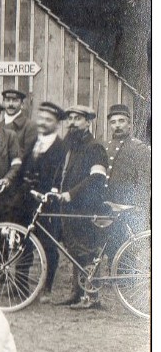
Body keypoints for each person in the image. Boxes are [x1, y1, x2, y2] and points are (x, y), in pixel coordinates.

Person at [14, 101, 67, 301]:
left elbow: (61, 175)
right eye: (41, 118)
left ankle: (46, 289)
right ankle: (21, 287)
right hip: (25, 201)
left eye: (48, 120)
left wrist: (53, 192)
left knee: (48, 246)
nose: (43, 123)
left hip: (47, 203)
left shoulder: (62, 147)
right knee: (22, 241)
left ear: (56, 123)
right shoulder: (33, 140)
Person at [57, 105, 108, 310]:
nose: (72, 123)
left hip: (86, 206)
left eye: (77, 119)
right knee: (73, 249)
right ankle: (76, 294)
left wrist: (72, 193)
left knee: (86, 249)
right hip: (70, 206)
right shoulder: (71, 146)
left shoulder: (94, 147)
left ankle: (91, 297)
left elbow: (96, 177)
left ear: (88, 122)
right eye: (69, 119)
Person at [102, 103, 151, 236]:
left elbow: (144, 181)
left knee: (125, 250)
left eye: (121, 121)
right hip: (107, 206)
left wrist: (139, 207)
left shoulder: (139, 148)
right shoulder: (104, 147)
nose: (117, 125)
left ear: (129, 124)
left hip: (128, 208)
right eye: (113, 122)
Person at [1, 88, 38, 155]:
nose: (10, 104)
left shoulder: (30, 126)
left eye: (15, 100)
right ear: (3, 103)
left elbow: (29, 156)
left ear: (22, 104)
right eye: (7, 100)